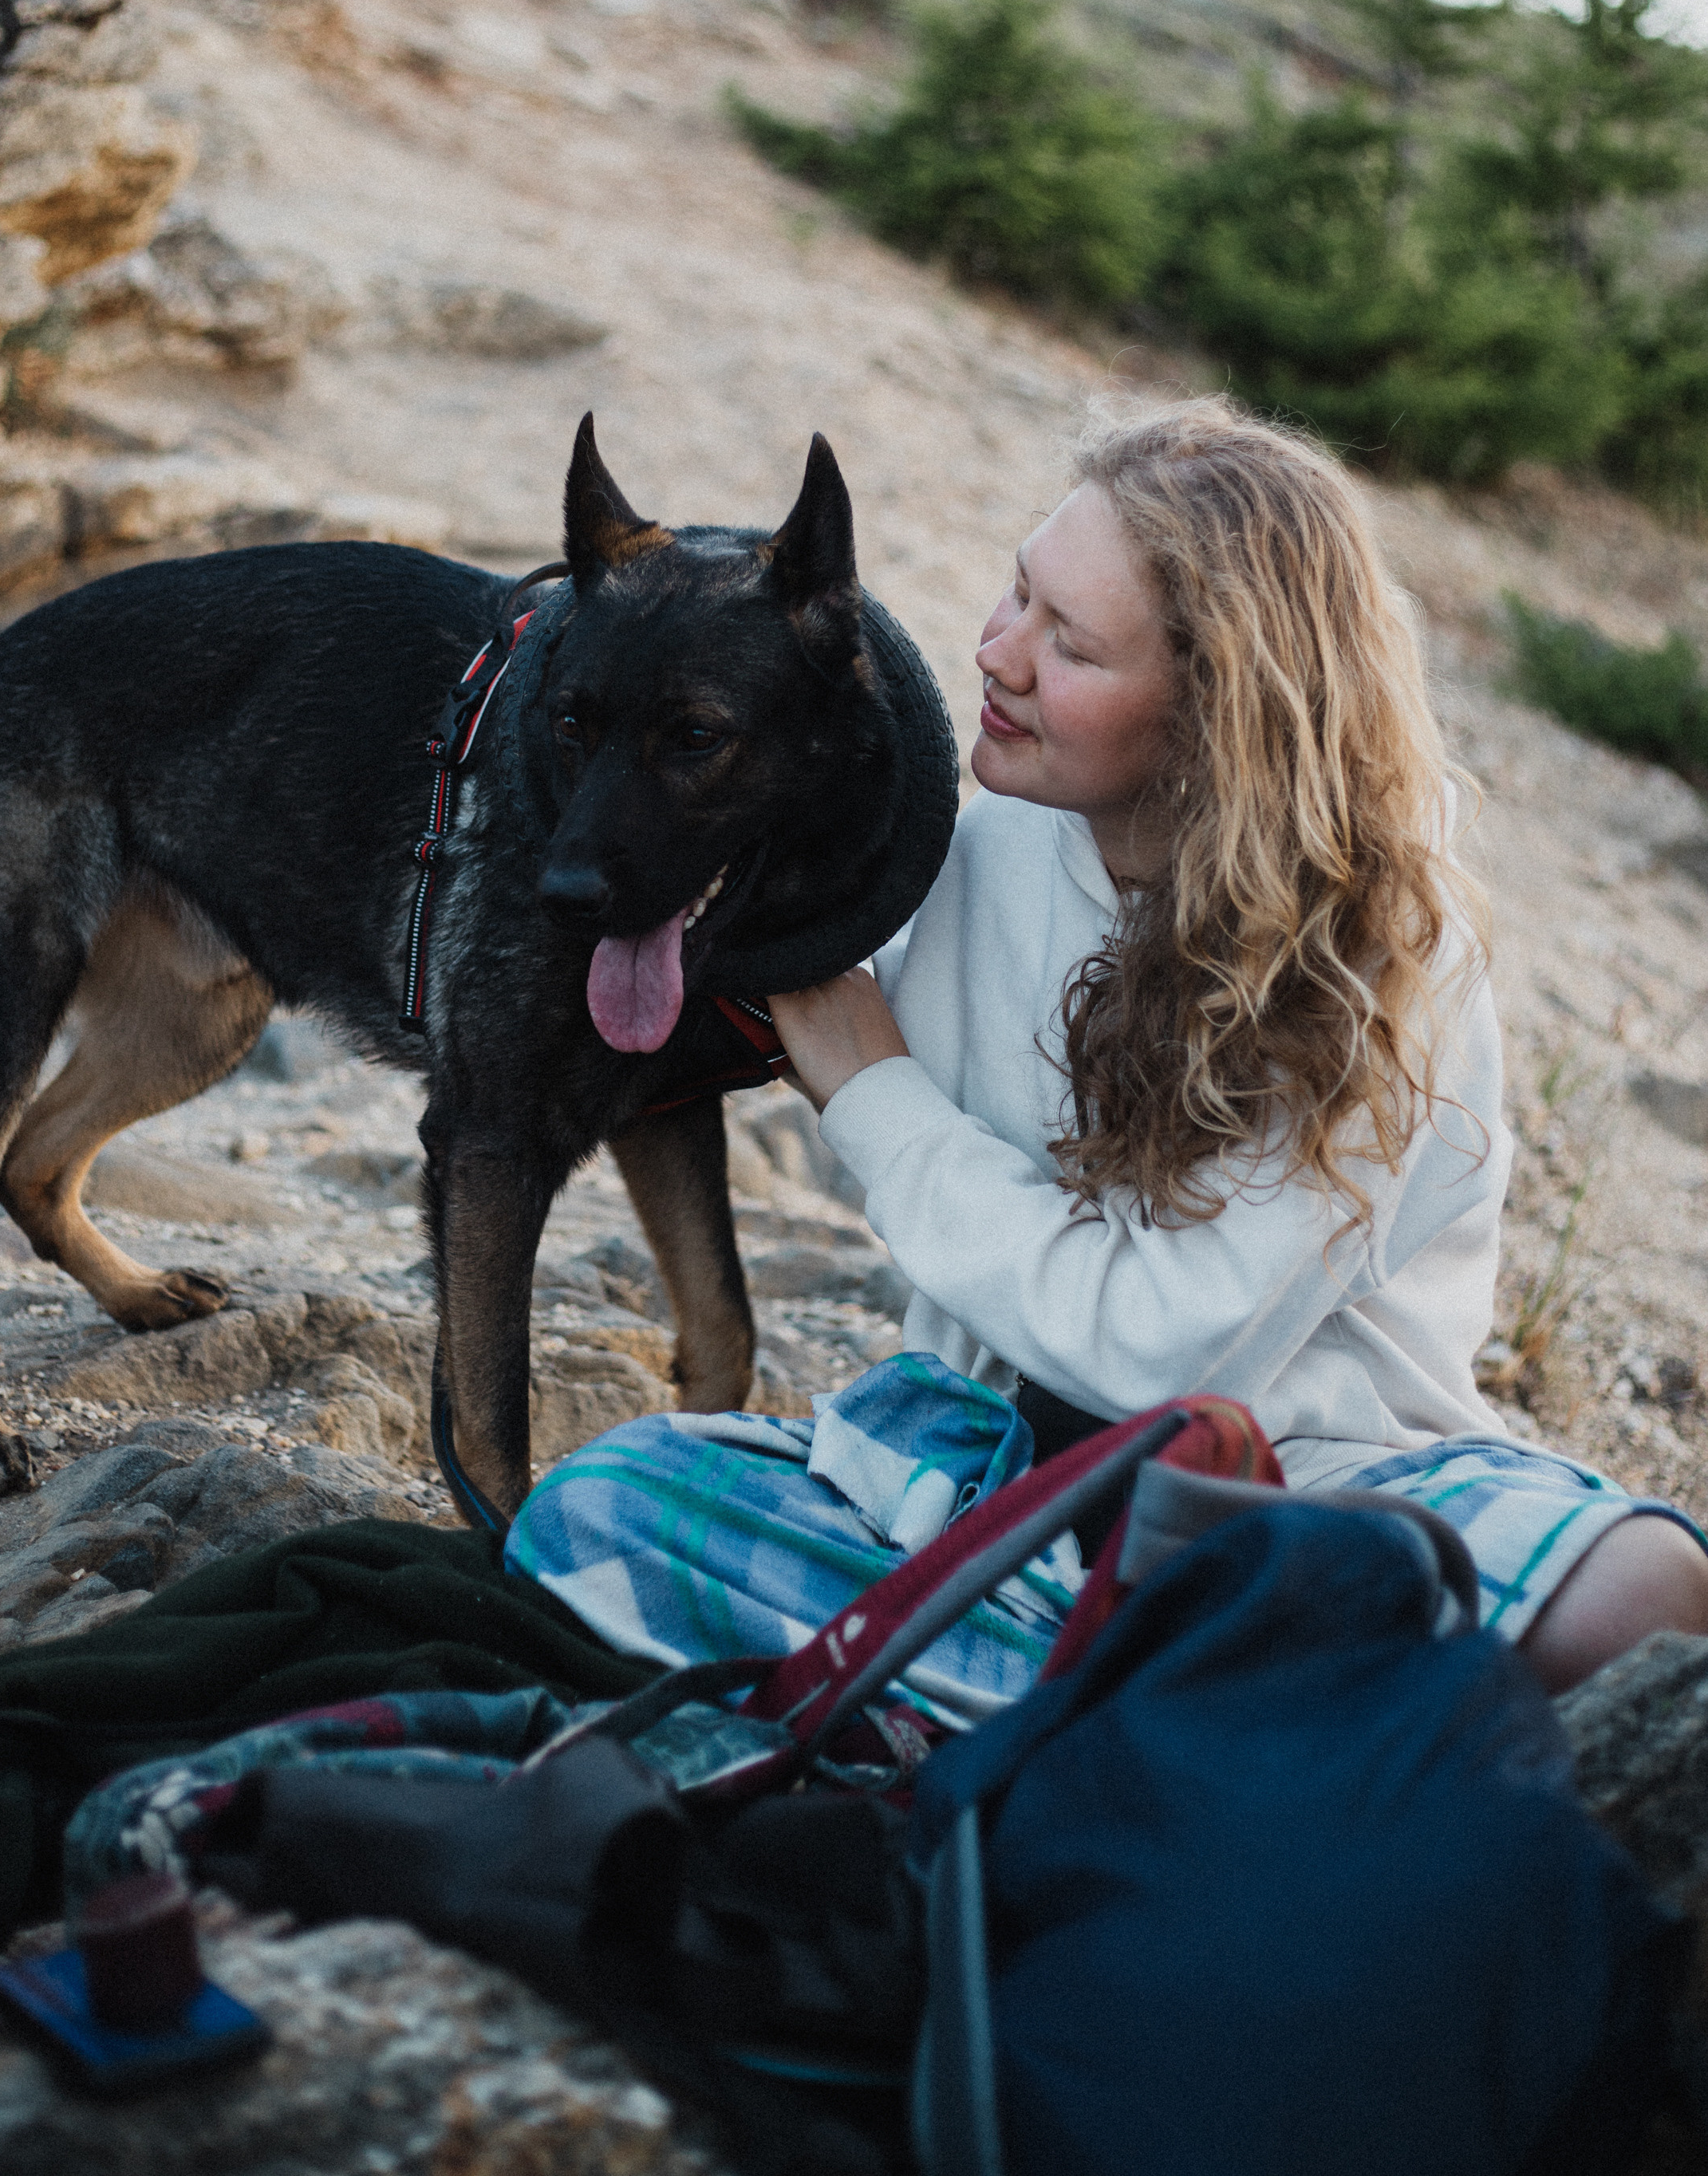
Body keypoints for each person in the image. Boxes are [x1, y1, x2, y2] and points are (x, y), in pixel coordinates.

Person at [508, 400, 1708, 1710]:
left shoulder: (1370, 961)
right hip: (979, 1474)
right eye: (1015, 591)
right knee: (603, 1505)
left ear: (1211, 713)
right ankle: (1147, 1712)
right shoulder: (990, 846)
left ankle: (1007, 1696)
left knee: (1641, 1587)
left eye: (1066, 641)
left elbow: (1157, 1362)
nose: (994, 652)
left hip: (1293, 1490)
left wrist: (870, 1092)